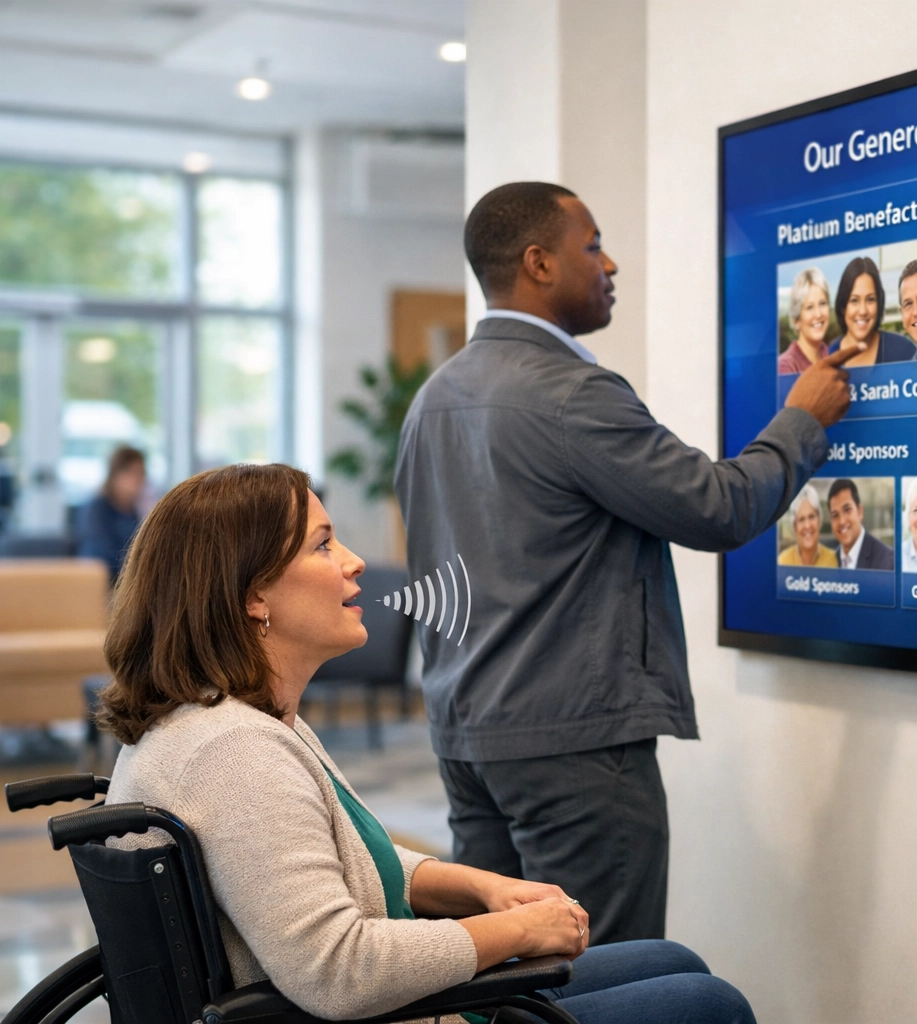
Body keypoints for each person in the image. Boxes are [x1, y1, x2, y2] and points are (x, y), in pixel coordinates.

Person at [97, 464, 756, 1024]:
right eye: (323, 546)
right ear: (253, 597)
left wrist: (486, 888)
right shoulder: (233, 752)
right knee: (707, 1002)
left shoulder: (241, 721)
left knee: (673, 962)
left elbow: (357, 860)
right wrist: (515, 932)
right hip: (375, 1010)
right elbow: (338, 968)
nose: (355, 562)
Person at [395, 182, 859, 946]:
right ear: (539, 263)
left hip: (467, 738)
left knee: (512, 977)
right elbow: (717, 507)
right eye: (593, 246)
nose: (611, 263)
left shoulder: (434, 398)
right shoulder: (571, 393)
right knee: (605, 976)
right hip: (573, 748)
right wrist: (802, 419)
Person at [829, 256, 917, 366]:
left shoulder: (905, 352)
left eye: (870, 299)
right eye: (854, 300)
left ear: (879, 303)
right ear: (843, 306)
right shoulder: (828, 357)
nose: (862, 311)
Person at [77, 444, 146, 583]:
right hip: (99, 583)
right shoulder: (97, 509)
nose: (138, 479)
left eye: (141, 473)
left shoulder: (134, 510)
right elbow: (102, 553)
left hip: (126, 582)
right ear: (115, 475)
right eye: (131, 472)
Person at [827, 478, 894, 570]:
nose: (842, 521)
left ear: (860, 511)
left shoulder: (888, 561)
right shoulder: (829, 562)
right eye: (835, 515)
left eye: (847, 510)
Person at [777, 267, 832, 375]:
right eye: (809, 307)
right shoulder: (785, 367)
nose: (818, 314)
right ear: (796, 320)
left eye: (822, 303)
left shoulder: (833, 356)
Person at [778, 484, 837, 566]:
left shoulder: (834, 560)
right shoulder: (783, 561)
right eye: (801, 519)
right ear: (795, 526)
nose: (807, 525)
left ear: (819, 520)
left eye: (811, 517)